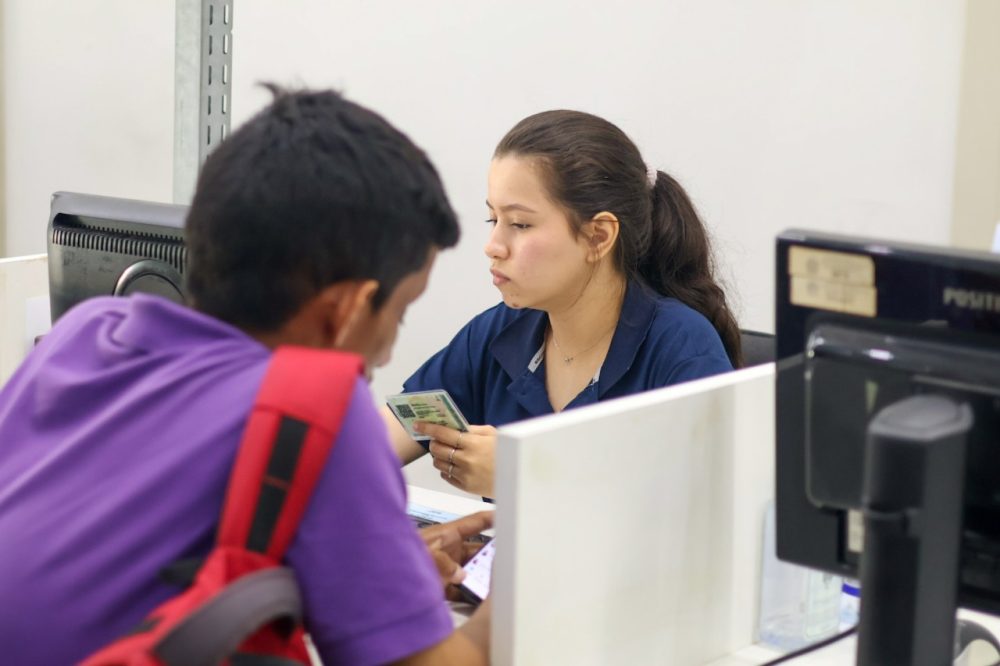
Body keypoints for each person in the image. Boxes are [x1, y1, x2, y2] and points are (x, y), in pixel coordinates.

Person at [0, 87, 493, 665]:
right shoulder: (318, 410)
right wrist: (521, 577)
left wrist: (388, 570)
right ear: (347, 310)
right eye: (400, 312)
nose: (385, 353)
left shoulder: (84, 334)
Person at [386, 109, 742, 498]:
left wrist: (525, 476)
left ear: (598, 236)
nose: (493, 246)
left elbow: (705, 508)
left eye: (520, 224)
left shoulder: (682, 346)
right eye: (493, 220)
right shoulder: (496, 333)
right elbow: (372, 446)